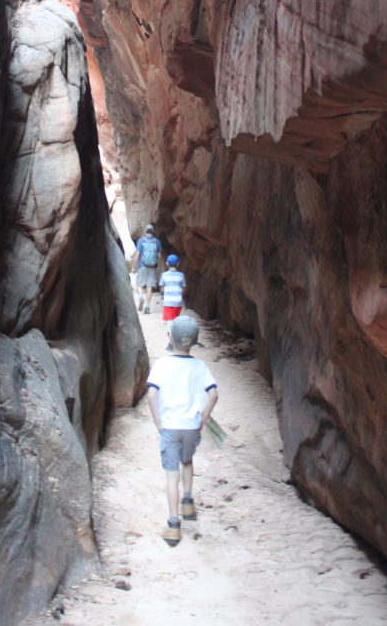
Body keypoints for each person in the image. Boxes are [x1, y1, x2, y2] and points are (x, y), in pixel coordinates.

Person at [146, 315, 218, 547]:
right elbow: (213, 394)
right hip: (191, 426)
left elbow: (151, 394)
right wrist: (202, 420)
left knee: (171, 473)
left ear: (170, 337)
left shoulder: (163, 365)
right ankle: (188, 502)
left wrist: (158, 421)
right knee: (187, 460)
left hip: (170, 425)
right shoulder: (200, 366)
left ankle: (174, 525)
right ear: (194, 341)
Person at [134, 223, 163, 314]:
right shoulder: (157, 241)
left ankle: (141, 296)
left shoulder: (141, 241)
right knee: (149, 287)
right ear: (153, 231)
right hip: (152, 267)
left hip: (142, 266)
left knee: (139, 284)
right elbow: (159, 256)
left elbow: (137, 254)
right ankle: (147, 306)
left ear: (145, 231)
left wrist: (135, 266)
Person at [159, 254, 186, 348]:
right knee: (175, 320)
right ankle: (174, 338)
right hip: (178, 302)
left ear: (167, 263)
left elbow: (162, 287)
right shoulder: (181, 275)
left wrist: (163, 296)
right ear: (178, 263)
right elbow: (183, 289)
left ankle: (171, 343)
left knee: (170, 323)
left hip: (168, 302)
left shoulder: (164, 275)